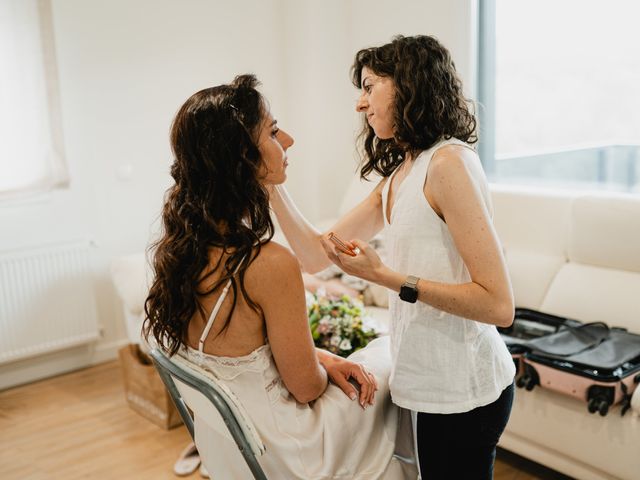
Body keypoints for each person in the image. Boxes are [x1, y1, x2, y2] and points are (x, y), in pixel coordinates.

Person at [143, 74, 416, 479]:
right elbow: (306, 388)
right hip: (289, 450)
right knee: (393, 354)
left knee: (368, 359)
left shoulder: (179, 249)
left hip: (232, 447)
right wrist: (321, 367)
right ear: (243, 157)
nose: (288, 139)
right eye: (273, 131)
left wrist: (324, 358)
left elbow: (239, 352)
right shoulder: (269, 263)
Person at [269, 35, 516, 479]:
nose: (360, 105)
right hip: (428, 387)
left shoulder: (448, 164)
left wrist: (386, 277)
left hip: (465, 390)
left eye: (369, 86)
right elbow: (314, 253)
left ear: (409, 84)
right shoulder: (404, 173)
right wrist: (271, 181)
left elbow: (499, 305)